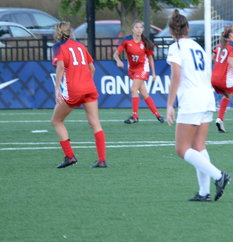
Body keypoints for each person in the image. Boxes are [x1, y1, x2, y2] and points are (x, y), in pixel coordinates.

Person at [165, 11, 230, 202]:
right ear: (188, 28)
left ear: (171, 31)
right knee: (198, 145)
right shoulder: (197, 47)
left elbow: (176, 76)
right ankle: (204, 192)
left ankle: (219, 176)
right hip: (206, 97)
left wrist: (170, 104)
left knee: (181, 149)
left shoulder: (176, 47)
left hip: (192, 100)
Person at [51, 21, 107, 168]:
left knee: (56, 121)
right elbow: (92, 68)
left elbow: (60, 67)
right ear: (70, 32)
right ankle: (102, 160)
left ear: (57, 33)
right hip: (89, 87)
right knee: (95, 123)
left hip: (73, 89)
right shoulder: (80, 46)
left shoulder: (58, 47)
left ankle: (70, 157)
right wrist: (87, 82)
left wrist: (56, 89)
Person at [113, 20, 164, 124]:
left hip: (143, 68)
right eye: (136, 27)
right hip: (132, 69)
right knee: (144, 93)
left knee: (133, 89)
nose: (139, 29)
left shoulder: (145, 43)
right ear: (132, 29)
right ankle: (158, 115)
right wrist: (118, 61)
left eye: (141, 27)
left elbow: (150, 58)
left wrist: (154, 73)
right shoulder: (127, 41)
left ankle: (135, 116)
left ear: (143, 30)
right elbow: (115, 54)